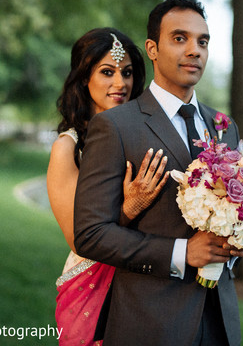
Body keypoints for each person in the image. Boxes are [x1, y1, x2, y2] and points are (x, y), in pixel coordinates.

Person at [74, 0, 243, 346]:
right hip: (149, 323)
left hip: (220, 322)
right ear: (152, 48)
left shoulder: (225, 127)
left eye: (203, 41)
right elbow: (90, 234)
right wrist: (182, 253)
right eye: (179, 38)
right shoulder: (116, 126)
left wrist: (240, 240)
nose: (194, 50)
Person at [47, 27, 169, 345]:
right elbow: (80, 240)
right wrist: (130, 207)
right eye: (107, 72)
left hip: (145, 278)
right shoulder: (69, 147)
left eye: (127, 73)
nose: (121, 84)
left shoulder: (142, 137)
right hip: (91, 280)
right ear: (84, 78)